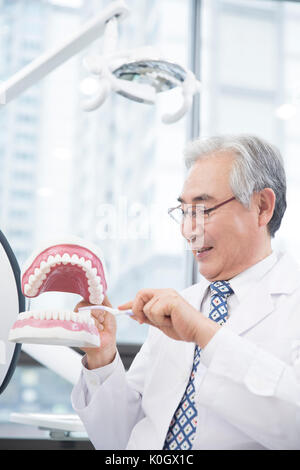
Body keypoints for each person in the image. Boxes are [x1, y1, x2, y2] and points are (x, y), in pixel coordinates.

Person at [71, 134, 300, 450]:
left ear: (262, 207)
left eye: (203, 210)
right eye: (184, 212)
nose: (188, 230)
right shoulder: (182, 305)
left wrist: (206, 335)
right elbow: (121, 439)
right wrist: (102, 358)